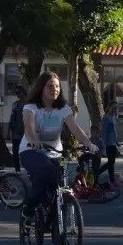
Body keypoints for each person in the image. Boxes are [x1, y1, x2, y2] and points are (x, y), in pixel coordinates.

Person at [18, 72, 98, 226]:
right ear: (41, 88)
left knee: (59, 184)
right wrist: (33, 140)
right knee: (46, 174)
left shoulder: (63, 109)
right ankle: (28, 210)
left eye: (57, 86)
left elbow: (75, 128)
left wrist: (88, 142)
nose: (54, 89)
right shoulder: (31, 107)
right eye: (50, 86)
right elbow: (29, 127)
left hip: (54, 153)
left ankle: (56, 223)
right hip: (30, 151)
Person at [99, 103, 120, 187]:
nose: (115, 110)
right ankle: (99, 173)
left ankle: (111, 179)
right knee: (111, 162)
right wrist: (103, 145)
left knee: (111, 162)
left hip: (113, 143)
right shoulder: (106, 118)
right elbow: (104, 132)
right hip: (108, 143)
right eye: (113, 108)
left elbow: (115, 131)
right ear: (110, 108)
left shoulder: (114, 118)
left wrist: (117, 142)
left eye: (116, 108)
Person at [8, 85, 27, 172]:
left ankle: (27, 169)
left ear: (23, 92)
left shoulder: (29, 105)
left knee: (26, 151)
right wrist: (9, 131)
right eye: (16, 93)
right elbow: (12, 118)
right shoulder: (15, 104)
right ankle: (17, 169)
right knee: (15, 151)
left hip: (27, 132)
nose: (18, 94)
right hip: (16, 132)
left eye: (19, 92)